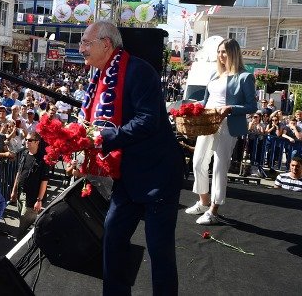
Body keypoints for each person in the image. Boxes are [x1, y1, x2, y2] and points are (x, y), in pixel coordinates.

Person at [77, 21, 183, 295]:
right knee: (112, 237)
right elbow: (93, 121)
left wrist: (102, 138)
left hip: (157, 174)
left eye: (87, 42)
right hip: (127, 176)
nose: (81, 48)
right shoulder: (97, 76)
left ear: (107, 44)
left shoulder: (139, 71)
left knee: (160, 251)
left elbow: (148, 121)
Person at [186, 38, 257, 225]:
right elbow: (205, 101)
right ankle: (203, 201)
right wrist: (190, 109)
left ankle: (214, 210)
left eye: (224, 51)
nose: (221, 55)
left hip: (228, 125)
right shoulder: (215, 75)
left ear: (234, 53)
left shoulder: (245, 77)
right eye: (219, 52)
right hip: (208, 122)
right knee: (198, 161)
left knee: (219, 167)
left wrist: (230, 108)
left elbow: (252, 106)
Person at [10, 132, 50, 236]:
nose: (27, 142)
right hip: (20, 194)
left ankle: (20, 247)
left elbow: (44, 181)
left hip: (33, 198)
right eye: (26, 140)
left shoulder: (43, 159)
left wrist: (39, 200)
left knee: (23, 225)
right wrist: (14, 191)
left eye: (29, 140)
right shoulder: (25, 154)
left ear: (37, 142)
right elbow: (19, 173)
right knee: (21, 219)